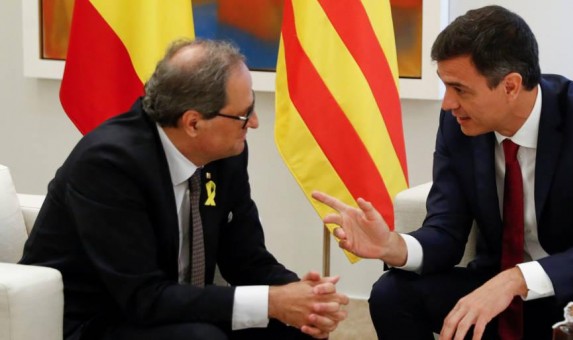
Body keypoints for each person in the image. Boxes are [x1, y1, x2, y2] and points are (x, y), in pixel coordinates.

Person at [313, 5, 573, 340]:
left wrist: (515, 280)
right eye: (445, 86)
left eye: (459, 89)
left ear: (510, 86)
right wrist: (392, 245)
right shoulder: (458, 124)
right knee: (393, 293)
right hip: (499, 289)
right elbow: (446, 233)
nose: (448, 103)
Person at [20, 39, 348, 340]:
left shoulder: (225, 154)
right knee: (200, 338)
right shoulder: (109, 164)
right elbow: (142, 297)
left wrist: (302, 295)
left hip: (175, 305)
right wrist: (272, 301)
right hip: (99, 319)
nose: (255, 123)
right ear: (193, 123)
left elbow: (247, 259)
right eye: (244, 114)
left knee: (298, 327)